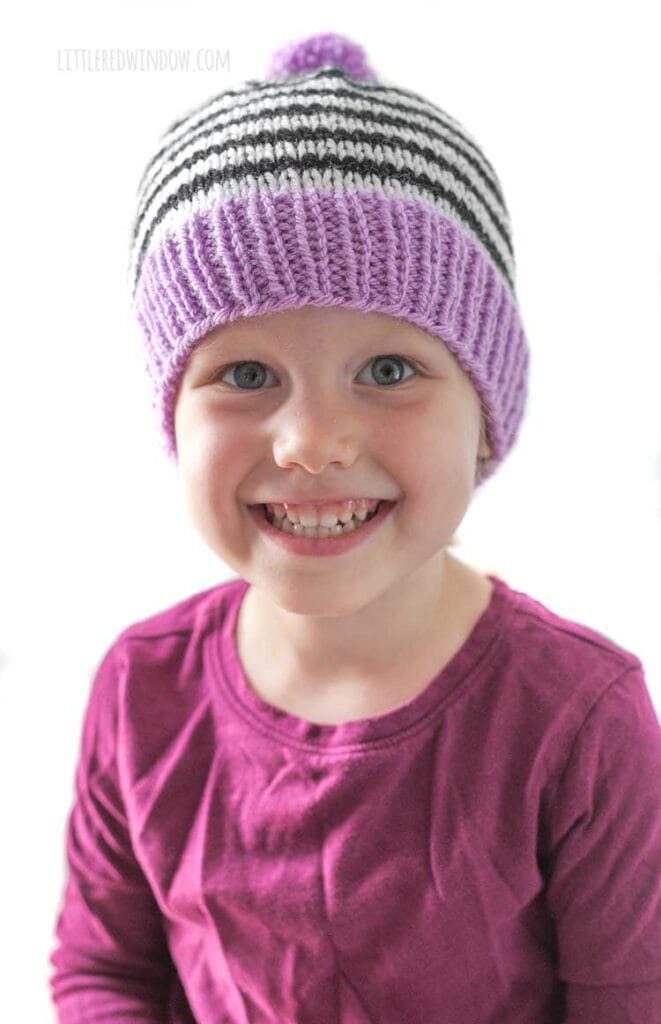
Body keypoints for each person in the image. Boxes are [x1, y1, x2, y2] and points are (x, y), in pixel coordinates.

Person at [48, 31, 661, 1024]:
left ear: (484, 412)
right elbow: (105, 973)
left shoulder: (579, 716)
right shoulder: (139, 688)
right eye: (246, 374)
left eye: (387, 371)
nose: (310, 444)